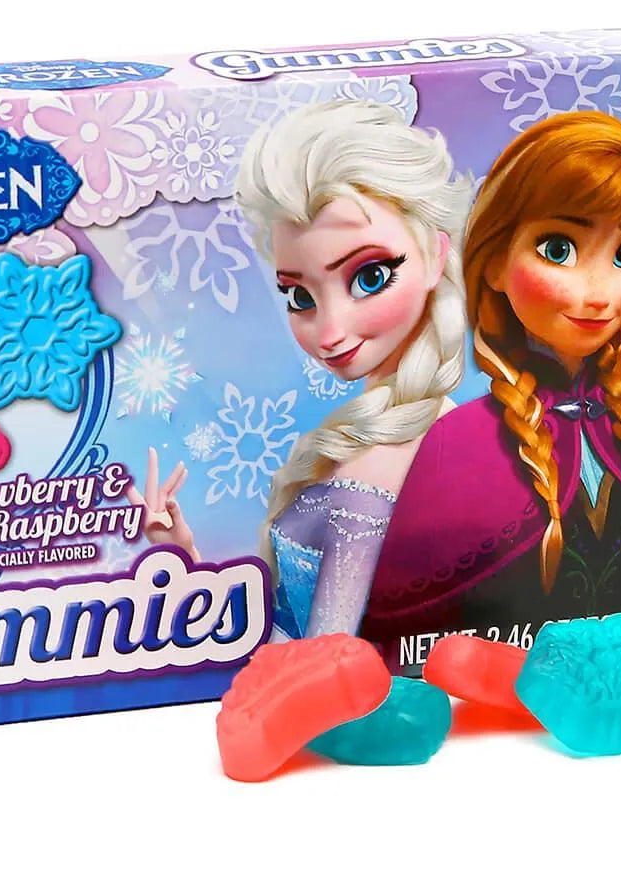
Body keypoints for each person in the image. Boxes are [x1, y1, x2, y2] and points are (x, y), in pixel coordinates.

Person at [131, 100, 471, 639]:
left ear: (434, 254)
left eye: (369, 277)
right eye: (300, 296)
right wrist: (184, 555)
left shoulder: (380, 462)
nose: (330, 331)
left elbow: (329, 657)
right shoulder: (424, 429)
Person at [359, 112, 621, 656]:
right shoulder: (457, 444)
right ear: (495, 263)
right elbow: (400, 642)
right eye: (559, 248)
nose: (599, 292)